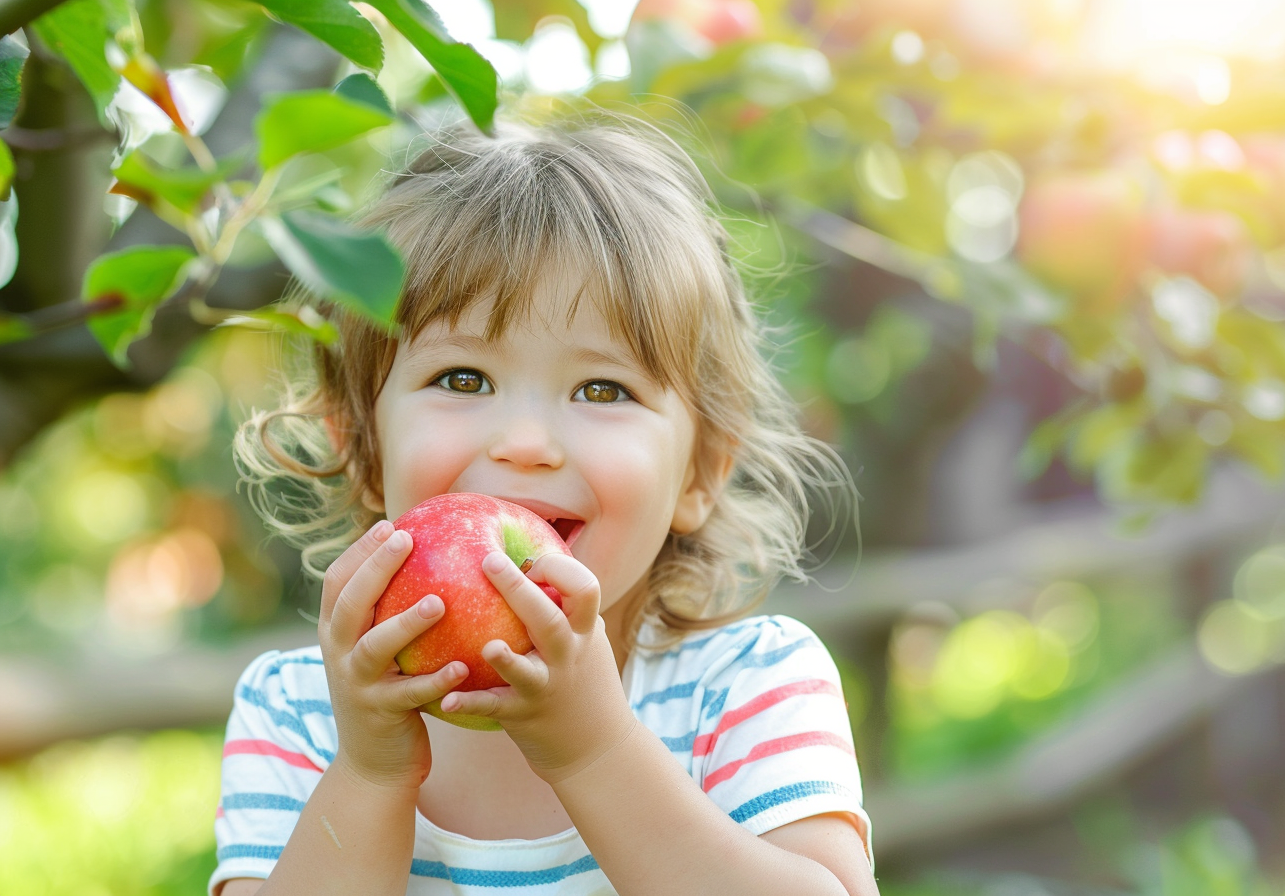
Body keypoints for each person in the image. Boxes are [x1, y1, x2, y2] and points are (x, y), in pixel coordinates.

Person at [215, 104, 877, 896]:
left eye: (603, 388)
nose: (525, 441)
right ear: (362, 447)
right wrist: (368, 772)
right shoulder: (299, 713)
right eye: (462, 379)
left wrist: (594, 751)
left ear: (699, 473)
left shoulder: (742, 686)